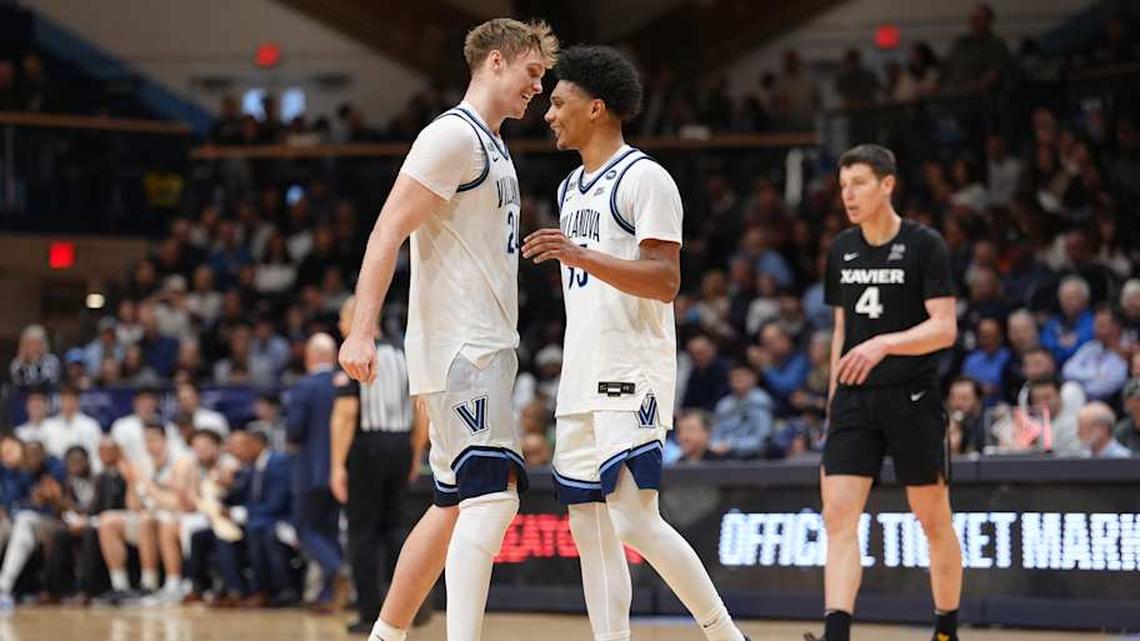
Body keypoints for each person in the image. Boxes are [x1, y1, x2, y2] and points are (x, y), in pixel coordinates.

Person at [338, 18, 558, 641]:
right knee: (493, 498)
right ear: (496, 61)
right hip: (464, 346)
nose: (538, 88)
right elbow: (388, 230)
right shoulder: (452, 136)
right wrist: (361, 330)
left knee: (452, 505)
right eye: (532, 72)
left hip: (485, 344)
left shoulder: (493, 143)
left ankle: (385, 636)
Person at [523, 45, 749, 641]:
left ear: (596, 108)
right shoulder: (570, 188)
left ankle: (727, 635)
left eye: (559, 102)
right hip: (580, 372)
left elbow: (665, 280)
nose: (549, 113)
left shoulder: (645, 178)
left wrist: (579, 255)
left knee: (633, 519)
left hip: (631, 368)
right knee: (589, 528)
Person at [810, 144, 960, 641]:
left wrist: (884, 344)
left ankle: (945, 629)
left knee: (933, 519)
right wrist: (834, 402)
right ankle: (836, 634)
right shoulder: (841, 248)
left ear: (887, 184)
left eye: (859, 183)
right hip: (854, 400)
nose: (848, 195)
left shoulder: (925, 245)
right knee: (838, 517)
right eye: (843, 186)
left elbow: (944, 328)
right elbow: (841, 329)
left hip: (911, 395)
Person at [331, 296, 428, 634]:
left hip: (367, 448)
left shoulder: (356, 353)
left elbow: (346, 414)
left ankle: (370, 611)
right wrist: (414, 453)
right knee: (396, 528)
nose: (341, 327)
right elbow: (422, 410)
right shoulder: (403, 352)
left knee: (362, 533)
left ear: (356, 317)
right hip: (401, 445)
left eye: (343, 319)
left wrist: (336, 465)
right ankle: (412, 607)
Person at [286, 333, 346, 612]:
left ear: (309, 356)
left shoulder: (304, 386)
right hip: (340, 471)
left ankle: (336, 568)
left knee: (304, 527)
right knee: (329, 530)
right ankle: (328, 594)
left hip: (310, 471)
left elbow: (294, 430)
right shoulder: (345, 383)